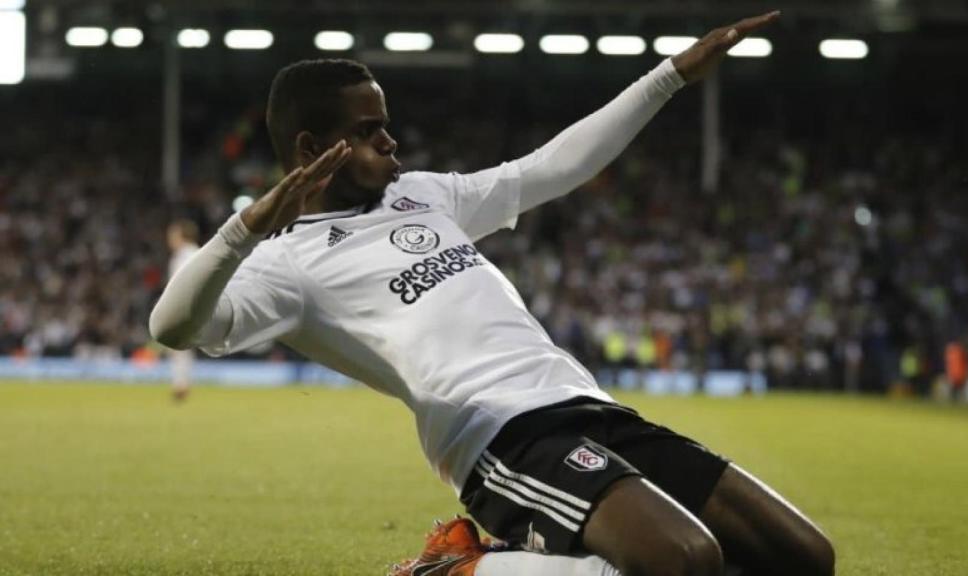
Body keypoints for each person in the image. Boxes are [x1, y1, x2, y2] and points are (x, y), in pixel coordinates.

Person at [149, 10, 834, 576]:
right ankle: (463, 569)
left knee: (803, 557)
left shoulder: (421, 194)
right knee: (683, 561)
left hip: (585, 405)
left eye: (384, 123)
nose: (390, 141)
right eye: (366, 131)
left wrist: (670, 76)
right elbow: (171, 327)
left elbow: (549, 169)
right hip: (501, 438)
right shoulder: (286, 264)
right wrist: (245, 228)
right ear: (308, 150)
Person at [164, 219, 200, 402]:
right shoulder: (186, 254)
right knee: (179, 348)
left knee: (179, 347)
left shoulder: (188, 254)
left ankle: (181, 385)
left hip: (186, 306)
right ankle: (181, 384)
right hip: (186, 305)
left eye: (173, 235)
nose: (170, 239)